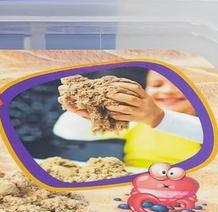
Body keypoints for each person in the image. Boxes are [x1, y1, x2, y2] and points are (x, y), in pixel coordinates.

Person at [53, 70, 203, 169]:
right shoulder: (135, 123)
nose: (168, 90)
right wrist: (89, 112)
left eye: (181, 84)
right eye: (157, 85)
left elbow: (206, 135)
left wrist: (157, 118)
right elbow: (65, 131)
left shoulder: (208, 124)